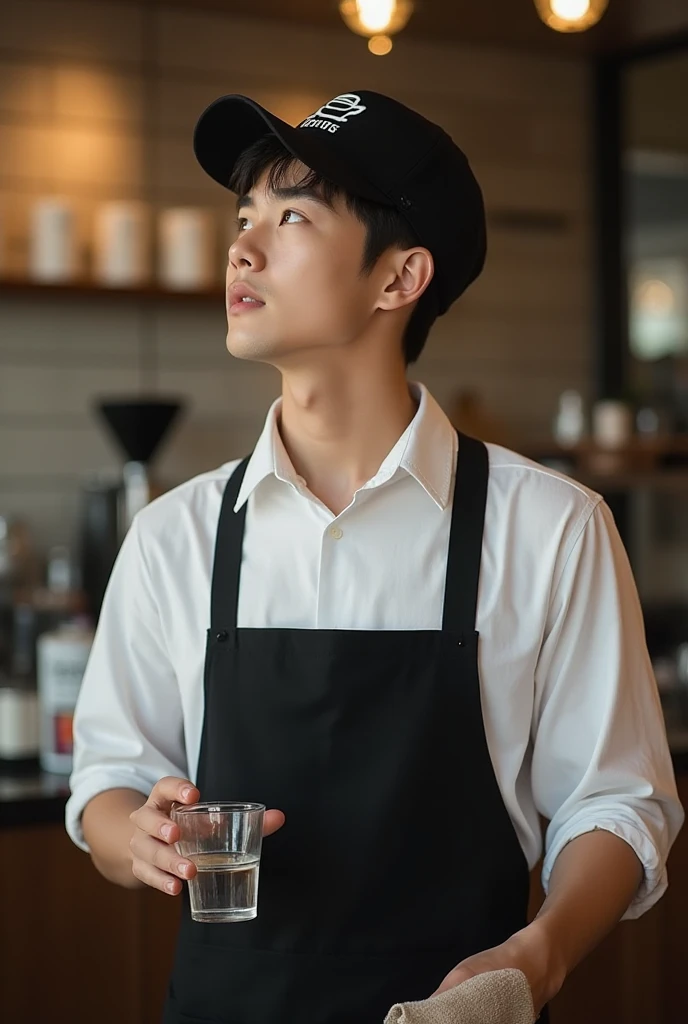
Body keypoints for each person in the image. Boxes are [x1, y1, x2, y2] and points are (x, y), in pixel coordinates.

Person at [67, 90, 684, 1024]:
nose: (243, 246)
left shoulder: (552, 527)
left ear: (399, 279)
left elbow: (616, 805)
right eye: (244, 216)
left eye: (293, 216)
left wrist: (535, 962)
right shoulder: (174, 535)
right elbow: (106, 780)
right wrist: (136, 835)